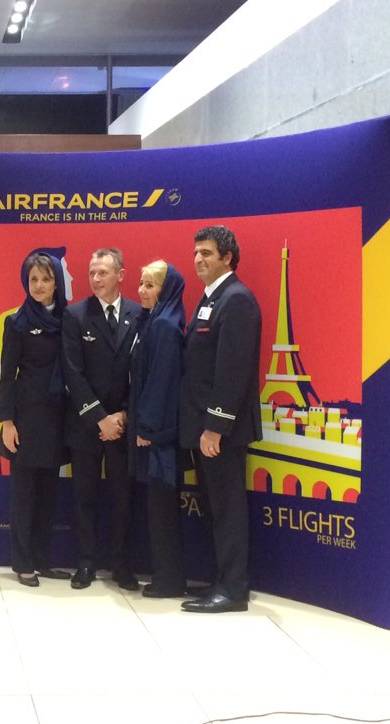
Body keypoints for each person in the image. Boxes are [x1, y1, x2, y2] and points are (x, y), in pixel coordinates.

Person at [178, 225, 262, 613]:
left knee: (227, 510)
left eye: (207, 253)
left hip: (221, 431)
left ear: (227, 258)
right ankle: (223, 581)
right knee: (215, 508)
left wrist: (215, 426)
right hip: (204, 428)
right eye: (196, 252)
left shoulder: (237, 299)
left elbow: (233, 370)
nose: (198, 259)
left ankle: (233, 590)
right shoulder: (212, 297)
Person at [62, 247, 142, 590]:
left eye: (103, 273)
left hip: (123, 424)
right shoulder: (75, 315)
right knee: (85, 496)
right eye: (92, 273)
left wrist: (124, 414)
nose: (95, 279)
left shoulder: (139, 314)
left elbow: (142, 372)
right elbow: (72, 372)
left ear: (120, 275)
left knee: (123, 498)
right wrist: (99, 418)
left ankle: (121, 564)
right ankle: (85, 563)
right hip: (86, 423)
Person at [0, 248, 71, 588]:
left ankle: (43, 560)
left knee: (48, 493)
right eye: (33, 279)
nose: (39, 285)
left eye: (46, 279)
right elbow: (7, 376)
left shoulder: (70, 319)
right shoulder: (17, 322)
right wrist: (7, 422)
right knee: (24, 496)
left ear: (57, 282)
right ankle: (22, 562)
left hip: (58, 418)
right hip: (25, 420)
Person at [128, 260, 187, 598]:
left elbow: (161, 381)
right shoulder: (155, 321)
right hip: (156, 432)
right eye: (141, 283)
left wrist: (147, 427)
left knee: (162, 509)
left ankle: (169, 580)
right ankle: (166, 577)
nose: (141, 291)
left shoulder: (164, 326)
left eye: (150, 285)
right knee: (158, 507)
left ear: (167, 289)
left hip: (159, 436)